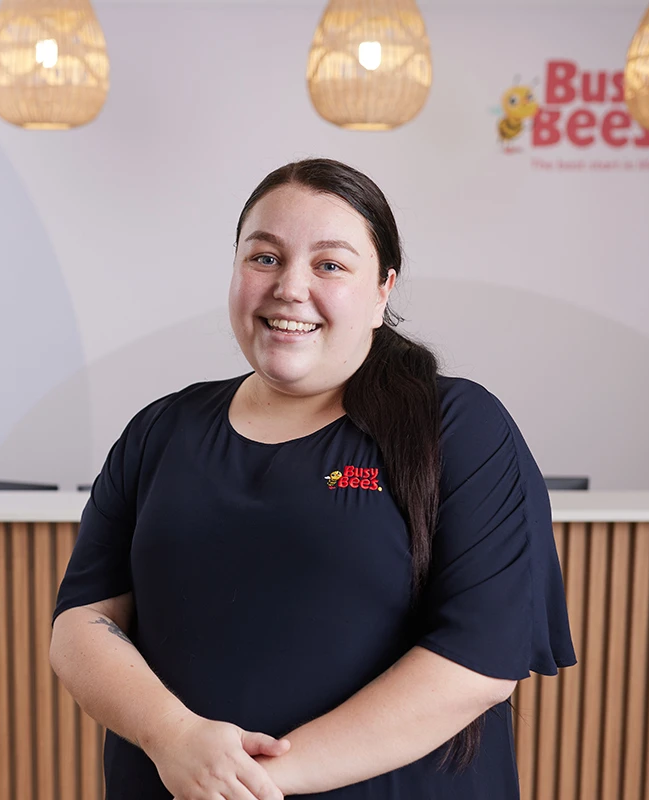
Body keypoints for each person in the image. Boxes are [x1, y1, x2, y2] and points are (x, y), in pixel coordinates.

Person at [50, 158, 576, 800]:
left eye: (330, 264)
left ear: (383, 291)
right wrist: (174, 739)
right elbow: (81, 625)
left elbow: (478, 662)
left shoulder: (458, 427)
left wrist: (248, 784)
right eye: (264, 258)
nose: (290, 288)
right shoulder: (162, 430)